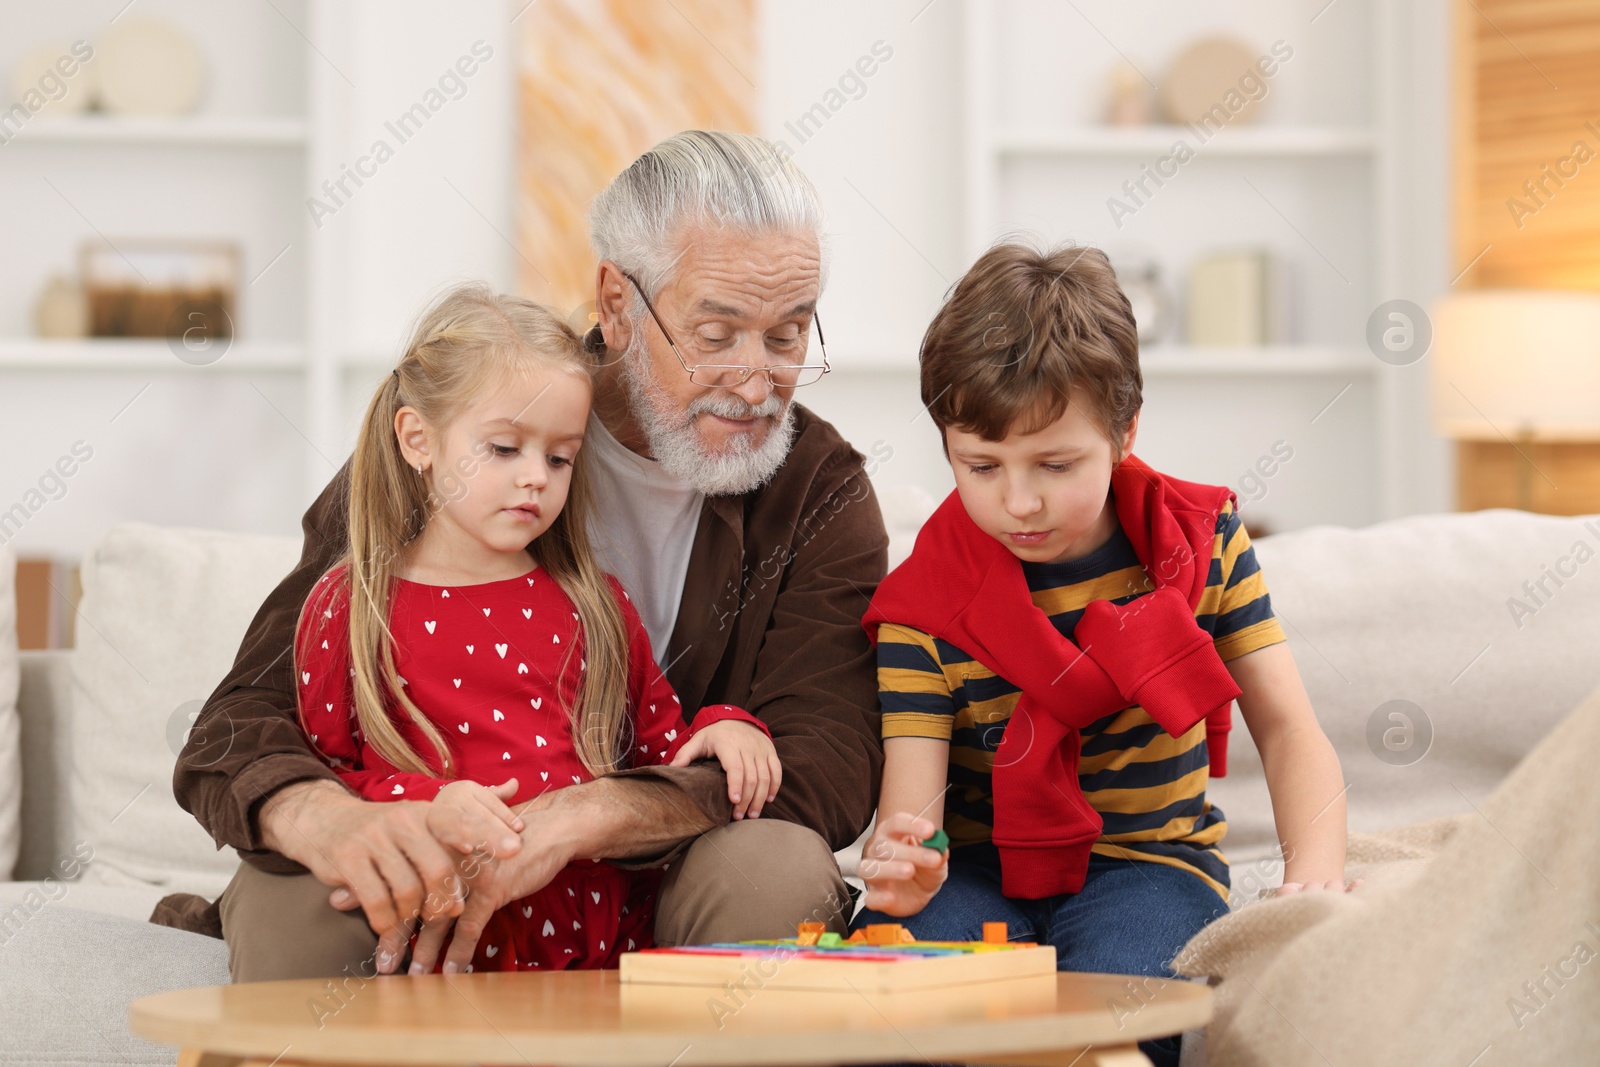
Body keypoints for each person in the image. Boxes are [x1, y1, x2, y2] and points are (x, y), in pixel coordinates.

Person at [153, 131, 888, 983]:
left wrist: (584, 817)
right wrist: (323, 817)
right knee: (308, 902)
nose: (758, 382)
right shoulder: (464, 436)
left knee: (779, 873)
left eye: (787, 337)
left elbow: (827, 764)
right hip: (425, 836)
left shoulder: (817, 488)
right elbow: (242, 717)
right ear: (617, 301)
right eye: (716, 333)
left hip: (649, 877)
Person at [850, 241, 1357, 1067]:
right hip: (976, 871)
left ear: (1125, 431)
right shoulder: (921, 607)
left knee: (1118, 1016)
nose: (1018, 501)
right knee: (911, 1015)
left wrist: (1316, 876)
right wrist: (907, 868)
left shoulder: (1205, 543)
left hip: (1151, 865)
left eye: (1055, 464)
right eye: (980, 466)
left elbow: (1290, 727)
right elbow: (916, 822)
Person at [289, 284, 779, 972]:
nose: (535, 480)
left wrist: (726, 727)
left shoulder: (594, 603)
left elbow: (661, 757)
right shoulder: (350, 603)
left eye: (558, 457)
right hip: (436, 937)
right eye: (503, 448)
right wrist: (432, 806)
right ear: (418, 439)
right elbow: (326, 779)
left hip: (597, 941)